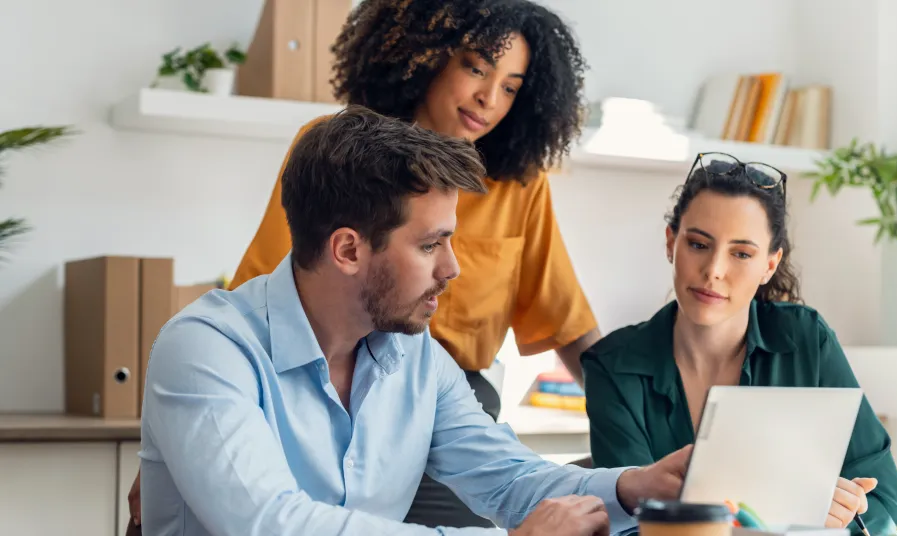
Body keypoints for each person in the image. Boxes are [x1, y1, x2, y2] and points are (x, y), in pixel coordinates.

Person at [128, 0, 607, 530]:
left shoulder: (518, 187)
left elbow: (566, 322)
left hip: (438, 396)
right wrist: (191, 434)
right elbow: (265, 293)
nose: (489, 99)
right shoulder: (338, 161)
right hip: (309, 381)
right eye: (476, 67)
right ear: (427, 56)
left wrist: (635, 460)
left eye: (511, 87)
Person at [139, 106, 693, 536]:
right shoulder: (205, 350)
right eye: (431, 245)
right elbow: (272, 524)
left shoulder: (416, 357)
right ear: (348, 250)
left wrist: (631, 487)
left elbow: (508, 478)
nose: (452, 269)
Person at [580, 153, 897, 536]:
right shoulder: (611, 365)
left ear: (769, 265)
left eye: (741, 254)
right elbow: (631, 526)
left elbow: (886, 507)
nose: (714, 270)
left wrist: (839, 519)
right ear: (671, 243)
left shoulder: (807, 341)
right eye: (699, 245)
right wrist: (786, 513)